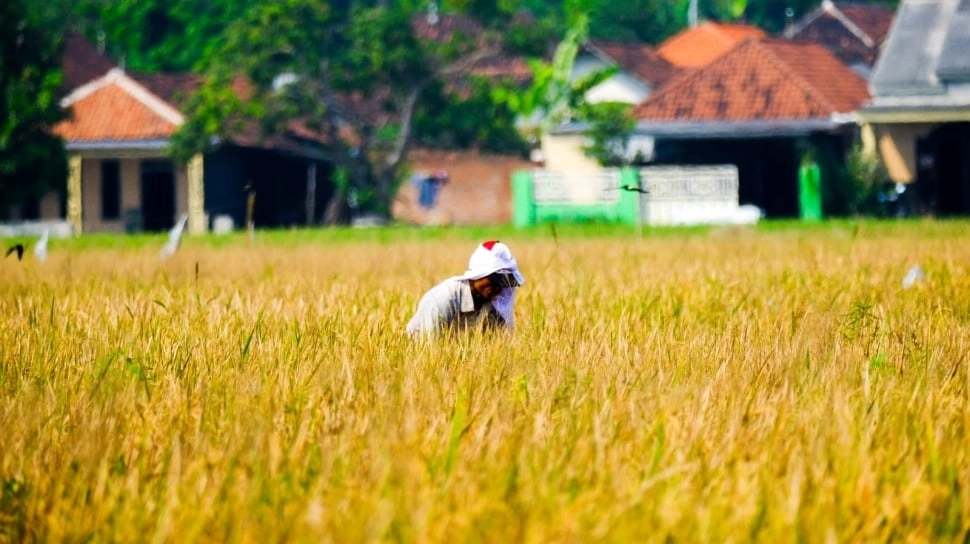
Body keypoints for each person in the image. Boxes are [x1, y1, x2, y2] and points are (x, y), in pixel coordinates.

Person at [406, 240, 525, 337]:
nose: (498, 287)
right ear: (477, 274)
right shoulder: (444, 299)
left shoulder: (495, 305)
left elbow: (498, 346)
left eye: (504, 283)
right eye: (495, 280)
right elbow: (431, 350)